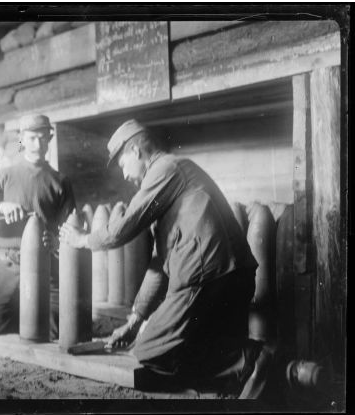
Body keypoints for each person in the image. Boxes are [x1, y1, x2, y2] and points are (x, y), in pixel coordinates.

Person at [60, 119, 273, 398]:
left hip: (212, 279)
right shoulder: (172, 184)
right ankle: (246, 376)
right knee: (185, 346)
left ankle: (252, 359)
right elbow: (160, 263)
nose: (124, 175)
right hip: (230, 278)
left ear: (136, 151)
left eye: (123, 164)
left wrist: (82, 240)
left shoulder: (166, 169)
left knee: (150, 350)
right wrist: (136, 319)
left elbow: (123, 227)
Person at [0, 114, 75, 338]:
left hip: (45, 266)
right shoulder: (4, 176)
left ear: (50, 139)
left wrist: (57, 241)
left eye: (43, 138)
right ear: (22, 140)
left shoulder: (60, 182)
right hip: (7, 265)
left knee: (57, 332)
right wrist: (0, 208)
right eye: (32, 138)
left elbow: (70, 228)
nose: (38, 144)